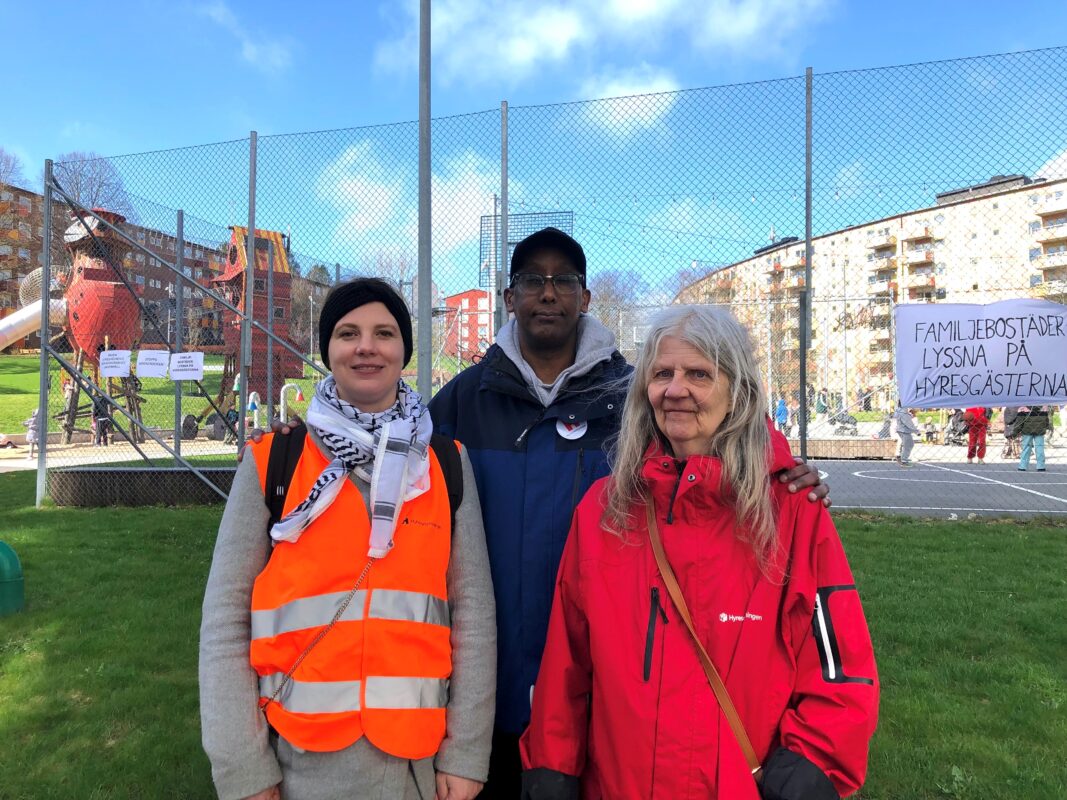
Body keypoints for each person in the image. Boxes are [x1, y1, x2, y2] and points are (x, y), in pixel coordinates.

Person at [255, 229, 831, 798]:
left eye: (564, 280)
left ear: (586, 297)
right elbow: (385, 449)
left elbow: (711, 442)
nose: (548, 292)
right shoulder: (460, 402)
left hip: (609, 696)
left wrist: (776, 466)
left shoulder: (634, 399)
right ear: (510, 297)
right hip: (487, 683)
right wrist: (309, 438)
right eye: (533, 280)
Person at [519, 305, 878, 799]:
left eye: (699, 374)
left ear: (737, 390)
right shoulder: (605, 511)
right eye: (662, 373)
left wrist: (812, 762)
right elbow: (567, 658)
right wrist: (552, 766)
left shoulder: (791, 510)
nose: (675, 389)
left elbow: (839, 663)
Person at [200, 279, 496, 800]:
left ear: (403, 349)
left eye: (384, 333)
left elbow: (474, 616)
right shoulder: (273, 462)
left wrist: (467, 752)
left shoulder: (446, 465)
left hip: (417, 765)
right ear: (328, 350)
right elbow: (225, 620)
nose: (366, 346)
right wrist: (243, 766)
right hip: (300, 762)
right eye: (347, 332)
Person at [1015, 405, 1053, 472]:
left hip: (1027, 431)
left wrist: (1016, 431)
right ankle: (1041, 466)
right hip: (1040, 431)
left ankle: (1023, 466)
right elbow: (1046, 422)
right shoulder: (1043, 408)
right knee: (1039, 448)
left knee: (1026, 448)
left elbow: (1019, 422)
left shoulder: (1024, 408)